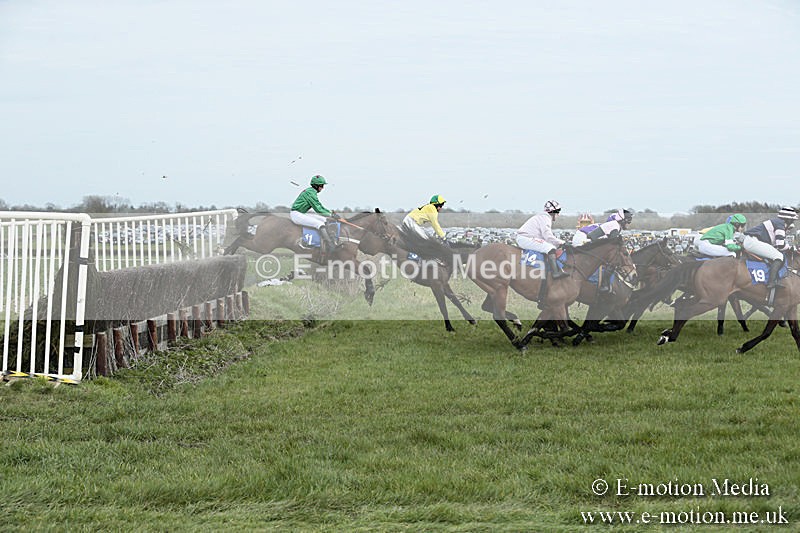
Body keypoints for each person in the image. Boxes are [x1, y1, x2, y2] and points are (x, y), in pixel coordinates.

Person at [742, 206, 798, 289]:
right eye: (792, 220)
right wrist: (791, 248)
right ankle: (771, 282)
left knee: (775, 254)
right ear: (788, 219)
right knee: (779, 256)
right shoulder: (780, 224)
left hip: (751, 240)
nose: (792, 222)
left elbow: (777, 245)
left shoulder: (778, 222)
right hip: (753, 241)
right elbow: (780, 245)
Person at [516, 200, 567, 279]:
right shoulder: (545, 218)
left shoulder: (543, 217)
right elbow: (548, 236)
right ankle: (555, 273)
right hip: (525, 238)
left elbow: (546, 237)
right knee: (551, 248)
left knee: (550, 246)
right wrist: (562, 242)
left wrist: (557, 243)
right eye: (558, 212)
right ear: (553, 212)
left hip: (526, 237)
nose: (558, 214)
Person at [290, 175, 340, 251]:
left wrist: (331, 213)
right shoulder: (310, 193)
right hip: (296, 214)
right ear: (316, 186)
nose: (323, 188)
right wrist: (331, 215)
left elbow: (320, 206)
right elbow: (318, 209)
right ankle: (329, 245)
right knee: (320, 224)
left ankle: (332, 238)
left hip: (301, 213)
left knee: (325, 220)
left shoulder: (312, 192)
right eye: (321, 186)